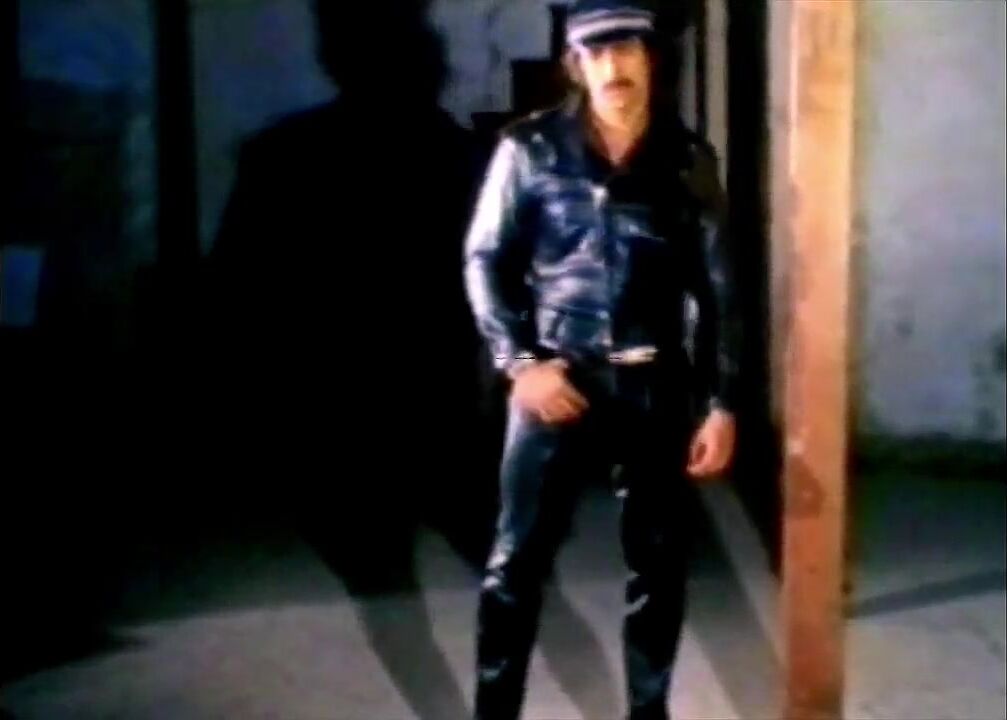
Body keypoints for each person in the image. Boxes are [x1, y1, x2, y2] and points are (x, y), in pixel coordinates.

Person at [462, 1, 742, 718]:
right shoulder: (529, 149)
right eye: (596, 53)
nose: (614, 67)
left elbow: (717, 290)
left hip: (654, 387)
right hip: (557, 380)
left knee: (659, 567)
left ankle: (648, 713)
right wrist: (519, 362)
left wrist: (721, 403)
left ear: (650, 58)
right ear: (575, 66)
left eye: (627, 49)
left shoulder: (688, 160)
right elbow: (485, 259)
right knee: (514, 565)